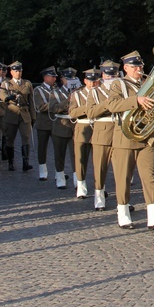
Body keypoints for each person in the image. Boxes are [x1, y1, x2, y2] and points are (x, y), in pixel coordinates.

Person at [107, 51, 154, 230]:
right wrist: (136, 100)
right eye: (134, 67)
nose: (139, 69)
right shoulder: (118, 84)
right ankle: (123, 213)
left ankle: (153, 216)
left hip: (147, 136)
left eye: (140, 66)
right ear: (126, 68)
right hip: (125, 136)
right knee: (123, 177)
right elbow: (112, 105)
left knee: (149, 176)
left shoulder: (148, 84)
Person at [86, 61, 121, 211]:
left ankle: (123, 200)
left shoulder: (122, 90)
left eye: (113, 75)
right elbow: (90, 112)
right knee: (100, 169)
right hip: (102, 134)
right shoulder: (95, 92)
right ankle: (99, 198)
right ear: (102, 75)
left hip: (120, 132)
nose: (110, 77)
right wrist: (107, 104)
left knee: (122, 169)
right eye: (108, 75)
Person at [0, 61, 35, 172]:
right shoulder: (6, 84)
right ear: (11, 72)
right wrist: (8, 98)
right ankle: (11, 162)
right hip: (12, 112)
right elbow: (2, 95)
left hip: (24, 113)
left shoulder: (27, 83)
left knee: (26, 137)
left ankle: (25, 162)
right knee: (10, 139)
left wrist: (33, 117)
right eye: (16, 71)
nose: (18, 73)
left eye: (19, 71)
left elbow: (31, 101)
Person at [70, 68, 99, 201]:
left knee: (98, 161)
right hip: (82, 127)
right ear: (85, 81)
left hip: (97, 128)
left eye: (95, 81)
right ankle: (81, 186)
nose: (92, 84)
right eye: (90, 81)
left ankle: (99, 187)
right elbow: (73, 112)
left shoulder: (101, 93)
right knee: (81, 159)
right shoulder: (77, 94)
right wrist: (88, 108)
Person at [49, 73, 75, 190]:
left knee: (76, 155)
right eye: (67, 78)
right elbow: (53, 109)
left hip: (75, 125)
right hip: (61, 125)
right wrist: (67, 100)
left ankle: (78, 180)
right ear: (62, 79)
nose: (69, 81)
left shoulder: (79, 92)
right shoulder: (55, 93)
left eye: (72, 78)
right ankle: (60, 177)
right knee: (59, 154)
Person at [33, 66, 59, 181]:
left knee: (58, 148)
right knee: (42, 148)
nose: (54, 79)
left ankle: (59, 171)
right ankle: (42, 171)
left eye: (55, 77)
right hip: (43, 123)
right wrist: (57, 105)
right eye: (52, 76)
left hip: (56, 123)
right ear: (46, 77)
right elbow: (40, 107)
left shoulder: (57, 89)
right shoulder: (38, 90)